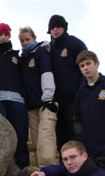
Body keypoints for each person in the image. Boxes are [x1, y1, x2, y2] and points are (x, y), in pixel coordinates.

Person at [0, 23, 29, 169]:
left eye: (6, 35)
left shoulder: (16, 56)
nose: (3, 37)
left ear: (9, 36)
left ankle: (23, 168)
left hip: (17, 100)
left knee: (20, 135)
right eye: (0, 35)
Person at [47, 14, 87, 154]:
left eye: (58, 26)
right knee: (60, 138)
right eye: (52, 27)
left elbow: (85, 66)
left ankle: (80, 168)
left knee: (76, 136)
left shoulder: (75, 43)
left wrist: (81, 92)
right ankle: (64, 169)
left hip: (74, 100)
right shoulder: (48, 48)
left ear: (64, 28)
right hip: (56, 103)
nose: (55, 30)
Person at [19, 26, 57, 167]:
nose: (25, 42)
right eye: (22, 40)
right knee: (35, 141)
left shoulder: (41, 52)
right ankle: (39, 172)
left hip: (45, 103)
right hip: (30, 105)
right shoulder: (23, 58)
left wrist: (48, 98)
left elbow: (47, 74)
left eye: (27, 39)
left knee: (46, 137)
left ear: (34, 38)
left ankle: (49, 170)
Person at [75, 50, 105, 166]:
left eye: (88, 63)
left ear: (97, 64)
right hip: (91, 150)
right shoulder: (80, 93)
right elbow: (78, 121)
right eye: (82, 66)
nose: (85, 68)